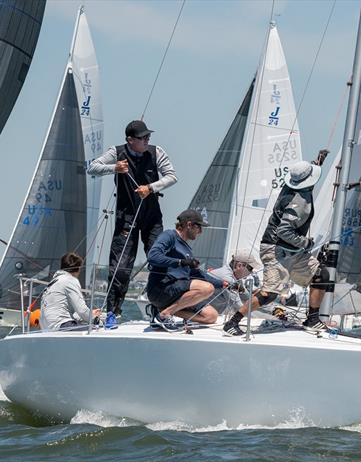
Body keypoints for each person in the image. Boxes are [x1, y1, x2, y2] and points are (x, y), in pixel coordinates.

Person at [222, 156, 331, 336]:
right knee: (269, 294)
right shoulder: (300, 203)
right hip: (276, 250)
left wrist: (317, 162)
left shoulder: (291, 185)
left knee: (321, 275)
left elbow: (304, 176)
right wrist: (306, 242)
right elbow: (284, 231)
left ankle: (312, 319)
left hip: (292, 251)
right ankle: (232, 323)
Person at [87, 119, 178, 317]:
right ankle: (112, 313)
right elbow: (92, 168)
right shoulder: (116, 152)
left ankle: (160, 311)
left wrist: (151, 187)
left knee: (160, 262)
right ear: (130, 140)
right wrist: (114, 168)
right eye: (142, 137)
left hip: (152, 218)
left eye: (148, 137)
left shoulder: (156, 152)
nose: (147, 140)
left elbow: (172, 176)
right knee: (120, 267)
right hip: (126, 217)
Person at [146, 209, 229, 330]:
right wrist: (180, 262)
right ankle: (164, 316)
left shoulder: (187, 249)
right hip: (162, 289)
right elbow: (152, 256)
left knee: (211, 316)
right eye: (199, 227)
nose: (200, 231)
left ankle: (161, 311)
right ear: (189, 225)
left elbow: (198, 274)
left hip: (179, 292)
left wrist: (223, 284)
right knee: (207, 288)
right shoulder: (169, 236)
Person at [40, 252, 102, 330]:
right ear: (78, 269)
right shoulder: (69, 280)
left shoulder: (53, 282)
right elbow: (82, 310)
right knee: (98, 329)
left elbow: (68, 313)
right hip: (62, 325)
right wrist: (95, 319)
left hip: (46, 328)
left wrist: (90, 313)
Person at [207, 250, 260, 314]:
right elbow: (238, 306)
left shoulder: (234, 276)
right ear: (239, 266)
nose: (251, 272)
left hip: (217, 311)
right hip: (206, 314)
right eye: (250, 268)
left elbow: (247, 297)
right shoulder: (227, 278)